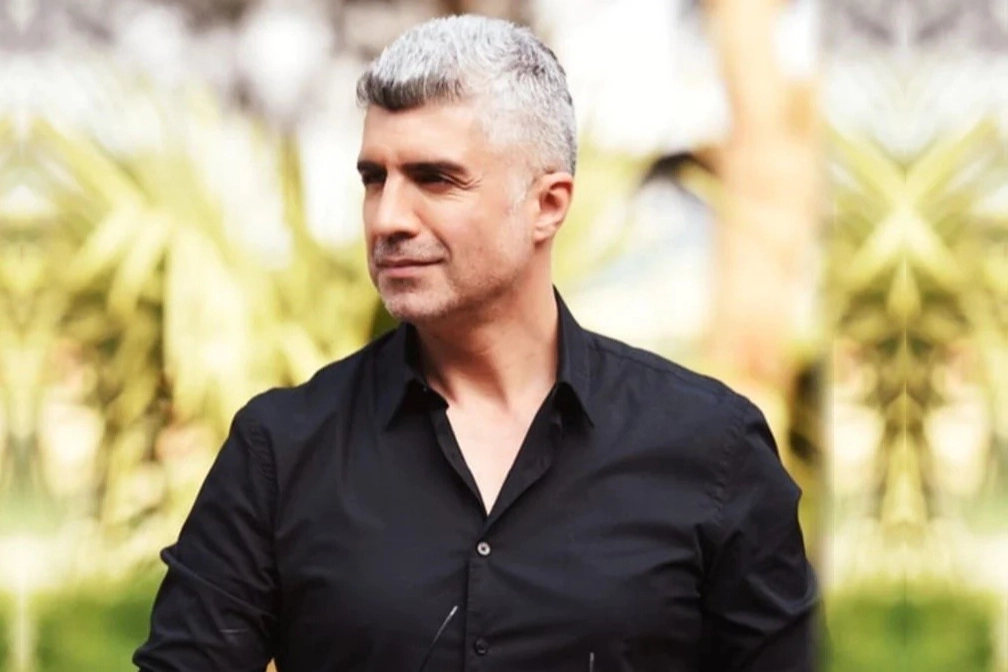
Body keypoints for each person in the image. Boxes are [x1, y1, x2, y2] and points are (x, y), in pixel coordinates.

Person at [134, 13, 819, 672]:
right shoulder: (281, 451)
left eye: (435, 179)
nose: (388, 219)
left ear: (547, 204)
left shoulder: (713, 448)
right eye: (374, 179)